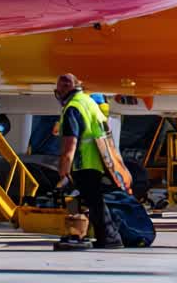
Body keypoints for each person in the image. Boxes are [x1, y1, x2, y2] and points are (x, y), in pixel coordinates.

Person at [55, 73, 123, 249]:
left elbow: (70, 145)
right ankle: (106, 237)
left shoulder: (72, 108)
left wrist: (64, 170)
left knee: (93, 203)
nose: (59, 90)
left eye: (61, 86)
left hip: (83, 162)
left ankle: (108, 237)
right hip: (98, 161)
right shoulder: (88, 102)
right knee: (95, 202)